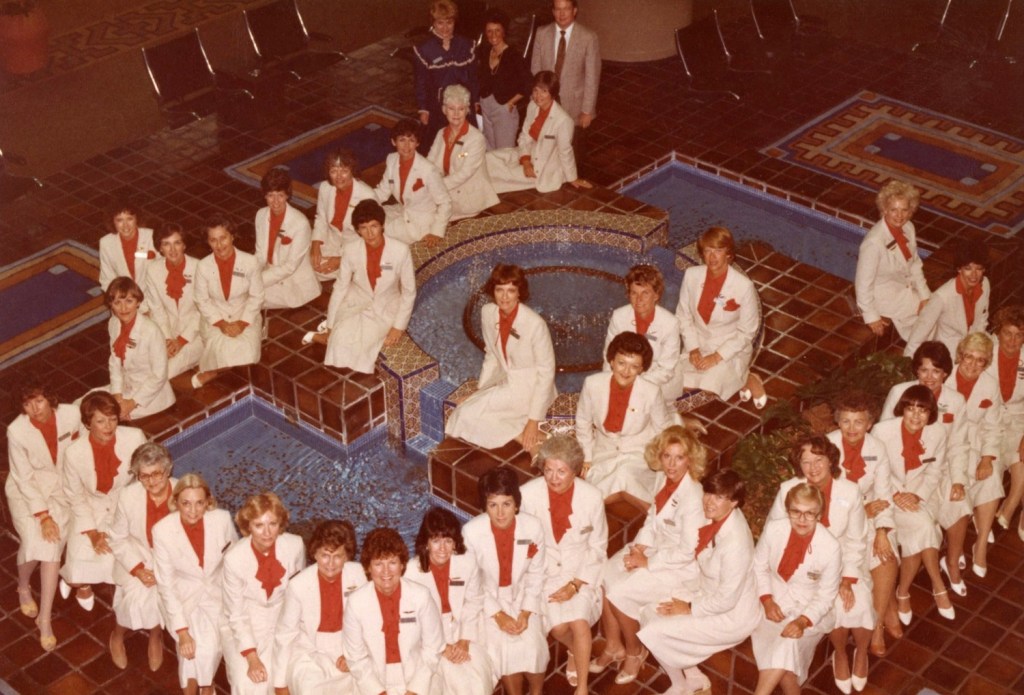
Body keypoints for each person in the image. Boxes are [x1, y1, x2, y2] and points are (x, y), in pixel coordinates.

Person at [594, 425, 705, 686]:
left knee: (620, 593)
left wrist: (647, 562)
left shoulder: (693, 495)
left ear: (690, 459)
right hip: (655, 549)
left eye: (679, 457)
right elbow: (653, 519)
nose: (672, 464)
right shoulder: (665, 480)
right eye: (667, 456)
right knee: (605, 573)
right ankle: (613, 646)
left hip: (678, 568)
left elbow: (688, 550)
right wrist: (639, 547)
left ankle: (635, 651)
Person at [637, 470, 760, 695]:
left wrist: (689, 608)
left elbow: (726, 600)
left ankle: (679, 685)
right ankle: (693, 676)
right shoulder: (719, 517)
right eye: (709, 493)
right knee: (648, 610)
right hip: (706, 592)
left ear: (733, 502)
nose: (709, 501)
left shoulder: (736, 545)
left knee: (655, 629)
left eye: (719, 497)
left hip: (731, 615)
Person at [766, 437, 871, 694]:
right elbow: (775, 532)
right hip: (804, 569)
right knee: (833, 604)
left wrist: (846, 579)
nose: (813, 468)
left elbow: (857, 540)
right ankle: (840, 654)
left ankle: (861, 654)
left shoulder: (849, 491)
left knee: (858, 602)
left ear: (830, 460)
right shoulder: (788, 489)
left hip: (846, 561)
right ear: (798, 465)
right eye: (806, 462)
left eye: (819, 460)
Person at [519, 435, 608, 694]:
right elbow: (524, 543)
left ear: (576, 471)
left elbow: (597, 547)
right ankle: (574, 650)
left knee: (579, 622)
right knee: (558, 628)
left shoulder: (592, 497)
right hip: (545, 573)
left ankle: (582, 688)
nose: (553, 478)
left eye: (561, 471)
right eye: (548, 470)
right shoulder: (528, 494)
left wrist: (575, 584)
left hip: (579, 571)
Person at [880, 342, 970, 596]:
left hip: (936, 469)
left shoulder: (955, 400)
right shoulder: (899, 392)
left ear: (945, 373)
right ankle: (929, 583)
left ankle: (951, 562)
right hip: (902, 475)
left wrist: (958, 480)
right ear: (916, 372)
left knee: (959, 504)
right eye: (924, 371)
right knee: (922, 522)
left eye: (936, 371)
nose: (929, 377)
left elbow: (958, 445)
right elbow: (884, 442)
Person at [445, 264, 557, 454]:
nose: (504, 297)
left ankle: (527, 434)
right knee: (465, 407)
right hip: (504, 382)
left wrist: (533, 419)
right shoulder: (488, 313)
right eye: (499, 290)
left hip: (529, 387)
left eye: (511, 291)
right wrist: (480, 390)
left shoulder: (535, 324)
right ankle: (521, 437)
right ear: (493, 291)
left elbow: (546, 373)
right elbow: (491, 354)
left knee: (464, 413)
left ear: (519, 293)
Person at [6, 379, 81, 652]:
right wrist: (44, 516)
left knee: (50, 549)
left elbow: (84, 446)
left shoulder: (72, 414)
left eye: (38, 401)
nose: (34, 409)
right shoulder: (17, 431)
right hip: (27, 494)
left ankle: (45, 618)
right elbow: (23, 478)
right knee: (35, 543)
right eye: (27, 404)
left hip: (60, 491)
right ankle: (23, 585)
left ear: (50, 397)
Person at [871, 385, 955, 623]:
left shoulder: (937, 433)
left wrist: (917, 495)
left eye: (923, 410)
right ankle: (937, 585)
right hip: (886, 496)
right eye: (911, 409)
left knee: (922, 528)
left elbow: (935, 472)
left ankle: (904, 591)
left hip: (919, 494)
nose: (916, 416)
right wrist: (897, 494)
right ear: (902, 410)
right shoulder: (882, 432)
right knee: (925, 528)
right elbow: (878, 472)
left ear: (931, 414)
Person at [825, 392, 900, 657]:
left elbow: (883, 494)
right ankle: (885, 606)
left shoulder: (877, 448)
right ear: (838, 422)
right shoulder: (827, 446)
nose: (852, 428)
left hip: (870, 515)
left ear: (869, 423)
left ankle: (877, 625)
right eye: (846, 421)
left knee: (887, 556)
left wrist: (882, 531)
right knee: (860, 565)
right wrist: (861, 511)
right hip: (837, 523)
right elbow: (824, 498)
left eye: (859, 422)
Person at [59, 391, 147, 613]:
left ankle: (89, 578)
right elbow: (76, 497)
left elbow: (143, 476)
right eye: (100, 421)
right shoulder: (73, 453)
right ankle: (81, 584)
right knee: (79, 569)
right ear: (88, 424)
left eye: (113, 419)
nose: (108, 426)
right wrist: (93, 533)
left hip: (122, 503)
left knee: (118, 557)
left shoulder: (135, 437)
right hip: (91, 507)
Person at [304, 199, 416, 375]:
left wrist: (398, 327)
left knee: (364, 348)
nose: (370, 233)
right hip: (355, 302)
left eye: (374, 226)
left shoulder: (400, 250)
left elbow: (409, 292)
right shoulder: (350, 249)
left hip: (385, 306)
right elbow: (340, 287)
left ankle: (322, 335)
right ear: (357, 230)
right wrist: (332, 323)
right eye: (364, 228)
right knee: (339, 340)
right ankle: (323, 333)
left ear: (382, 225)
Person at [463, 467, 548, 695]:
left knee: (534, 646)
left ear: (516, 504)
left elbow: (536, 574)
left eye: (506, 504)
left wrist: (526, 612)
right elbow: (473, 583)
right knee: (505, 648)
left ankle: (537, 692)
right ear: (485, 506)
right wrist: (499, 615)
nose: (500, 513)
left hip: (523, 595)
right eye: (493, 505)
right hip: (488, 601)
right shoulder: (471, 533)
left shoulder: (533, 527)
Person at [152, 474, 238, 695]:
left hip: (217, 594)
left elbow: (235, 559)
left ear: (208, 502)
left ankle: (203, 686)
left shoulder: (221, 519)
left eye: (199, 503)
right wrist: (182, 632)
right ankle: (205, 687)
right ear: (176, 503)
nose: (193, 510)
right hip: (182, 597)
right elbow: (166, 586)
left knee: (202, 649)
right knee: (192, 648)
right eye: (186, 503)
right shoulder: (162, 531)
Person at [751, 483, 841, 695]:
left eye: (810, 514)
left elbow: (827, 595)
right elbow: (759, 566)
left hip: (808, 612)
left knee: (787, 644)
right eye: (796, 512)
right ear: (788, 510)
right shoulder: (775, 529)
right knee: (785, 658)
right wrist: (767, 599)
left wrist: (803, 621)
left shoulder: (830, 547)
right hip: (771, 605)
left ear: (819, 515)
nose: (802, 520)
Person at [342, 526, 444, 695]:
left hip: (419, 676)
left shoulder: (421, 596)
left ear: (402, 564)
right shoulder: (356, 602)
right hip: (373, 679)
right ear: (368, 567)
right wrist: (378, 692)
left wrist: (414, 690)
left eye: (392, 562)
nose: (386, 571)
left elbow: (433, 648)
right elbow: (356, 659)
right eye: (378, 564)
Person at [221, 492, 306, 694]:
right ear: (247, 526)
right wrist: (251, 657)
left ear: (281, 524)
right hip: (246, 622)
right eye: (259, 525)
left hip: (283, 621)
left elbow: (298, 594)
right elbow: (236, 614)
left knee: (290, 677)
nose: (267, 533)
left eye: (273, 524)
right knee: (249, 683)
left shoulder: (295, 546)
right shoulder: (234, 558)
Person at [576, 331, 673, 506]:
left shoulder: (651, 391)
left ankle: (650, 512)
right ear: (611, 361)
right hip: (603, 452)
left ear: (642, 368)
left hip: (638, 454)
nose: (626, 371)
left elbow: (663, 430)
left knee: (624, 475)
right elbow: (583, 420)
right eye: (621, 363)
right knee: (606, 479)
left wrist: (663, 459)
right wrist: (587, 456)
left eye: (634, 366)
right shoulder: (592, 384)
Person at [404, 507, 493, 695]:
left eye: (448, 541)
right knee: (457, 682)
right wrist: (442, 646)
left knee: (478, 679)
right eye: (436, 541)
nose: (442, 548)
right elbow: (411, 621)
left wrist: (464, 639)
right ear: (426, 543)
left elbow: (474, 600)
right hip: (431, 636)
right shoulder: (412, 572)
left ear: (455, 543)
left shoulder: (466, 561)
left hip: (464, 626)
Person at [274, 519, 367, 694]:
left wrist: (353, 654)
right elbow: (285, 635)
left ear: (347, 556)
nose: (330, 564)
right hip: (310, 652)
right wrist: (280, 684)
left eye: (338, 556)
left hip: (348, 648)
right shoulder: (298, 585)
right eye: (325, 555)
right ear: (315, 553)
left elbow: (370, 623)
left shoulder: (359, 575)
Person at [675, 226, 764, 406]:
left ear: (728, 254)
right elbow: (683, 316)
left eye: (718, 251)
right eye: (708, 251)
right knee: (676, 383)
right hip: (698, 345)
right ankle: (740, 379)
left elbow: (747, 333)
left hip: (729, 349)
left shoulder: (743, 286)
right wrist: (693, 349)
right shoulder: (692, 276)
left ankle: (747, 377)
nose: (712, 257)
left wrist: (716, 357)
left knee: (709, 387)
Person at [107, 442, 177, 671]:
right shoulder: (128, 496)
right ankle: (117, 635)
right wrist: (137, 569)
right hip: (136, 557)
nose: (151, 482)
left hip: (171, 564)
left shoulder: (185, 495)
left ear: (168, 471)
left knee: (160, 596)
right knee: (135, 597)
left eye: (156, 474)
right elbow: (117, 538)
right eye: (143, 476)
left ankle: (155, 636)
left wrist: (163, 571)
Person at [947, 333, 1001, 580]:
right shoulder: (944, 378)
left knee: (991, 479)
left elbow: (992, 426)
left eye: (980, 360)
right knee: (962, 485)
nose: (972, 364)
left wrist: (987, 458)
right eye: (969, 357)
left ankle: (979, 545)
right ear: (960, 355)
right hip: (947, 447)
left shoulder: (989, 385)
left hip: (975, 446)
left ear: (986, 363)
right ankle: (954, 548)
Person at [486, 71, 591, 194]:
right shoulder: (533, 106)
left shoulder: (563, 120)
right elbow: (524, 136)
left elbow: (565, 152)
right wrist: (525, 161)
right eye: (535, 90)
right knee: (488, 158)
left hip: (542, 169)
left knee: (497, 174)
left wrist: (572, 178)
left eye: (544, 91)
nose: (538, 96)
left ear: (552, 93)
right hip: (526, 154)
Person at [192, 215, 264, 389]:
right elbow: (201, 300)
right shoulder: (203, 266)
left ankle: (215, 371)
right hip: (215, 317)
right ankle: (219, 370)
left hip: (245, 314)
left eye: (223, 238)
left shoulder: (250, 262)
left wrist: (242, 322)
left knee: (247, 352)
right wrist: (222, 323)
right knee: (222, 348)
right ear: (208, 242)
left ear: (232, 236)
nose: (219, 245)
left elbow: (257, 297)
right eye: (213, 240)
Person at [854, 180, 930, 340]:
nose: (899, 215)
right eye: (893, 210)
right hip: (886, 298)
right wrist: (871, 316)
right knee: (934, 319)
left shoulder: (908, 227)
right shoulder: (874, 243)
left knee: (935, 313)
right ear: (884, 210)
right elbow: (863, 284)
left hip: (905, 289)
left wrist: (924, 295)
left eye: (904, 210)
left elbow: (915, 264)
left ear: (911, 211)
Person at [603, 264, 683, 406]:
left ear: (656, 295)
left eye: (645, 293)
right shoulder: (619, 316)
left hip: (658, 382)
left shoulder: (670, 323)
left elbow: (666, 369)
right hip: (623, 376)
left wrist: (632, 383)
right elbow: (608, 355)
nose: (639, 299)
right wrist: (611, 382)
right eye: (634, 293)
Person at [372, 119, 452, 247]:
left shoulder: (428, 169)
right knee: (368, 222)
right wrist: (359, 199)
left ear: (417, 143)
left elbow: (445, 202)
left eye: (411, 140)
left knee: (376, 234)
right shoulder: (392, 159)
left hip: (421, 222)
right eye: (402, 140)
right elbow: (383, 191)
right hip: (402, 211)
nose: (407, 146)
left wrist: (436, 232)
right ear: (394, 142)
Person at [104, 276, 175, 420]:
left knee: (103, 415)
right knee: (85, 402)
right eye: (117, 302)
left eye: (129, 301)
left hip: (151, 397)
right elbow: (115, 362)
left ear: (138, 302)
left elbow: (159, 375)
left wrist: (131, 404)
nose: (123, 309)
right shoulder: (113, 323)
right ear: (111, 304)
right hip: (126, 387)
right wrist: (117, 395)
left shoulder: (151, 331)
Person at [904, 240, 990, 359]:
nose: (974, 275)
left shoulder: (984, 284)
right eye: (968, 268)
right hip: (947, 355)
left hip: (973, 349)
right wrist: (907, 364)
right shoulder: (942, 297)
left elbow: (982, 319)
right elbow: (918, 336)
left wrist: (978, 346)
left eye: (979, 269)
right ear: (959, 269)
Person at [413, 0, 478, 153]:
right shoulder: (423, 50)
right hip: (437, 107)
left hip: (463, 107)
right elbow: (420, 82)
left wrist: (475, 100)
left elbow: (473, 77)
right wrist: (423, 109)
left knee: (465, 145)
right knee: (437, 145)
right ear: (433, 23)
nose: (445, 28)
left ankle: (463, 167)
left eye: (449, 23)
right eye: (440, 23)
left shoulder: (467, 45)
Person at [427, 84, 499, 220]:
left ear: (467, 111)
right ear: (444, 110)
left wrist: (435, 186)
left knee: (427, 218)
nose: (456, 114)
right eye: (451, 109)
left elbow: (464, 173)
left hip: (467, 197)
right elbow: (430, 162)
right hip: (445, 187)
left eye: (461, 109)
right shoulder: (441, 133)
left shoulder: (476, 138)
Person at [142, 223, 203, 378]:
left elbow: (203, 311)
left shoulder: (200, 268)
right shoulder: (153, 270)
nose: (172, 250)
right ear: (160, 248)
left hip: (197, 334)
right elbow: (157, 310)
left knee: (164, 373)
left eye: (177, 243)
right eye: (166, 244)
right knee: (143, 364)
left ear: (184, 245)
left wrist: (181, 341)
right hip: (168, 332)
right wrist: (168, 339)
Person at [254, 167, 321, 310]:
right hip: (270, 275)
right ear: (265, 196)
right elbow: (260, 254)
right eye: (271, 195)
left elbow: (289, 267)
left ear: (287, 195)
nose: (276, 201)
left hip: (293, 287)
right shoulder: (261, 215)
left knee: (242, 298)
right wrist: (252, 273)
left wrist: (257, 281)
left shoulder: (300, 223)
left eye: (280, 195)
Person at [530, 0, 601, 131]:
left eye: (566, 9)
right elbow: (535, 70)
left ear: (574, 11)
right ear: (553, 11)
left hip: (574, 108)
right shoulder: (542, 33)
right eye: (557, 9)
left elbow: (592, 78)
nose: (562, 14)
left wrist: (587, 111)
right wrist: (535, 98)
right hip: (545, 103)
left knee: (573, 148)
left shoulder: (588, 37)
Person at [310, 149, 376, 281]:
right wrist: (315, 246)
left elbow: (372, 239)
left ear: (352, 170)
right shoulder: (325, 187)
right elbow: (321, 218)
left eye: (344, 171)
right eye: (334, 171)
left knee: (313, 272)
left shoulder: (367, 196)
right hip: (332, 240)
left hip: (356, 247)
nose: (339, 176)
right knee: (299, 259)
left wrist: (341, 260)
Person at [990, 305, 1024, 540]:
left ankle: (1011, 506)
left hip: (1018, 419)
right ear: (998, 333)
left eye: (1019, 334)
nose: (1013, 340)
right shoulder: (985, 352)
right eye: (1007, 333)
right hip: (989, 421)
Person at [477, 8, 531, 149]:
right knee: (490, 150)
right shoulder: (484, 53)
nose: (493, 35)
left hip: (503, 109)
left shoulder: (514, 55)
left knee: (504, 153)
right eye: (489, 31)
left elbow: (528, 84)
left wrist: (511, 103)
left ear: (504, 32)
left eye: (497, 30)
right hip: (486, 106)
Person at [98, 200, 156, 291]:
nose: (125, 225)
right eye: (119, 220)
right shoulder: (106, 243)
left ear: (137, 219)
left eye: (130, 219)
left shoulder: (151, 237)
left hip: (153, 294)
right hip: (124, 297)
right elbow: (106, 279)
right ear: (113, 222)